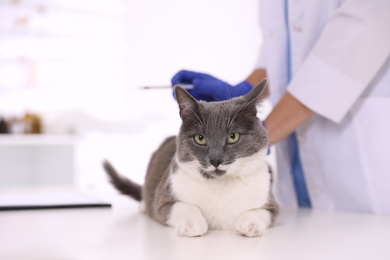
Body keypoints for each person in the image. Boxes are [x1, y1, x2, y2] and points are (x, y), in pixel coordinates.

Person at [171, 0, 390, 214]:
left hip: (358, 170)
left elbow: (341, 57)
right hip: (295, 173)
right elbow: (280, 50)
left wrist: (251, 135)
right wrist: (244, 91)